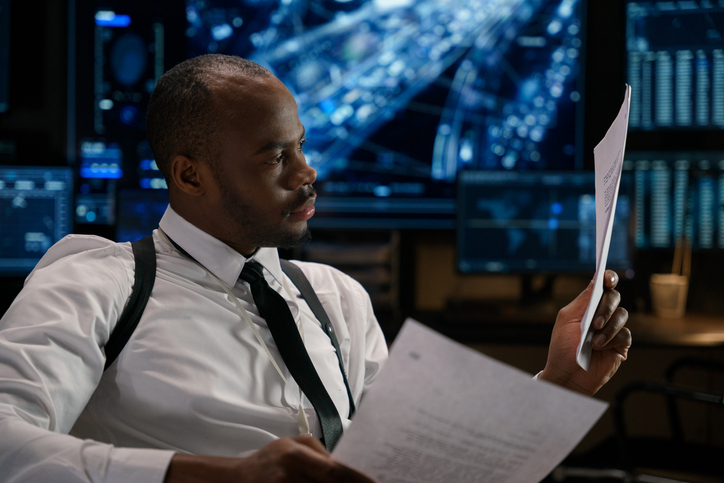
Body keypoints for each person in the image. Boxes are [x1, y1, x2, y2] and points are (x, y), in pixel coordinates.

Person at [0, 54, 631, 483]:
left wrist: (556, 385)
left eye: (300, 145)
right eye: (275, 156)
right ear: (189, 175)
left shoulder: (336, 297)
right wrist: (218, 478)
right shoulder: (94, 285)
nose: (307, 173)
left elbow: (409, 462)